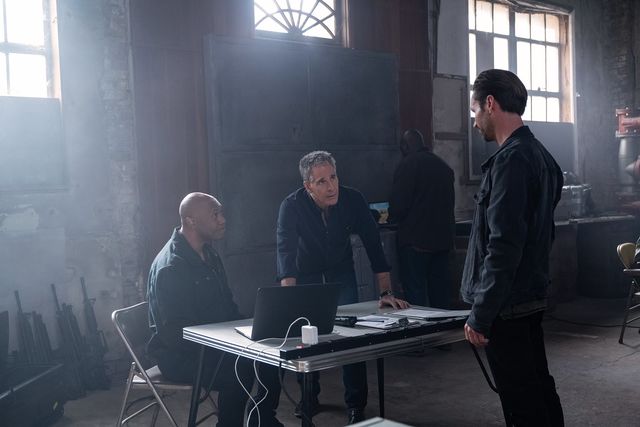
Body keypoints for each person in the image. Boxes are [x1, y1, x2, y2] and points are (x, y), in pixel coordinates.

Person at [461, 69, 564, 426]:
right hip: (529, 296)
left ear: (490, 104)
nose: (475, 122)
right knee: (538, 388)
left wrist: (481, 312)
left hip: (507, 305)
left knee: (522, 401)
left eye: (475, 111)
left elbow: (503, 246)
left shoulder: (510, 161)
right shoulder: (542, 157)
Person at [276, 150, 409, 424]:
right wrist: (289, 299)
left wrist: (385, 292)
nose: (331, 186)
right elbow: (285, 251)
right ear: (308, 186)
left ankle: (356, 404)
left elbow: (373, 243)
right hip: (307, 272)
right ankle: (309, 396)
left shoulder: (353, 199)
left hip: (341, 270)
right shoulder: (291, 206)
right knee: (306, 336)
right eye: (322, 181)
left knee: (352, 337)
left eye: (333, 177)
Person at [147, 192, 283, 427]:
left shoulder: (209, 254)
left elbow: (227, 307)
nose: (223, 220)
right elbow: (176, 335)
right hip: (180, 356)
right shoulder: (171, 267)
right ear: (191, 221)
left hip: (214, 344)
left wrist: (254, 332)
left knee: (272, 354)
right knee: (238, 371)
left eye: (221, 213)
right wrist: (228, 345)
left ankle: (262, 419)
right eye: (215, 215)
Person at [389, 128, 455, 308]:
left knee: (416, 297)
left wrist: (390, 217)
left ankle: (419, 327)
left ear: (405, 146)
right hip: (442, 243)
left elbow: (398, 205)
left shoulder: (408, 165)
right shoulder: (443, 166)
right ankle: (443, 326)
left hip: (415, 243)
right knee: (440, 297)